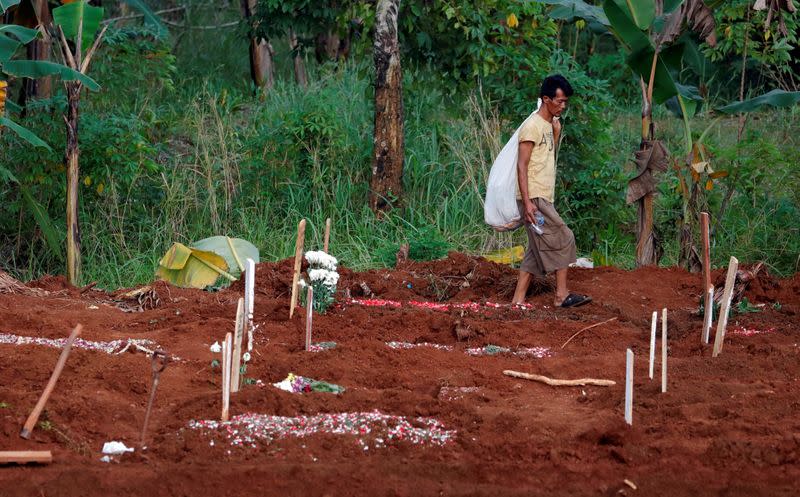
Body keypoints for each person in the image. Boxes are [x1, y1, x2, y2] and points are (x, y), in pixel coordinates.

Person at [511, 74, 591, 308]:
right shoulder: (532, 126)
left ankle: (517, 301)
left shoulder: (549, 125)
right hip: (534, 198)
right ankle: (561, 295)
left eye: (565, 102)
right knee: (564, 237)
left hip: (543, 197)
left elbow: (546, 157)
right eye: (559, 101)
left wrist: (556, 133)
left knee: (534, 254)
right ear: (546, 99)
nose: (563, 106)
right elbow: (521, 165)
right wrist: (527, 203)